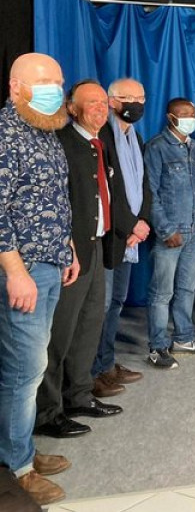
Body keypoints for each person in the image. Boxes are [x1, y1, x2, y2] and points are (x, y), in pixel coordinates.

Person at [0, 53, 77, 506]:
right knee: (24, 373)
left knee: (34, 367)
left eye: (58, 80)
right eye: (44, 81)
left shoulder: (46, 129)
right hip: (22, 272)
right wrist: (16, 273)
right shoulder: (7, 135)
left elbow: (51, 198)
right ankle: (17, 468)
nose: (54, 88)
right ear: (16, 88)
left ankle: (20, 447)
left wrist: (65, 247)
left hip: (50, 263)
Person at [36, 81, 123, 439]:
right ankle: (48, 413)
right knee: (59, 335)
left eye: (104, 103)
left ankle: (79, 395)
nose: (100, 109)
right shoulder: (62, 142)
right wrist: (66, 244)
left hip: (97, 244)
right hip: (70, 251)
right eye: (92, 104)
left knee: (89, 326)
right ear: (72, 108)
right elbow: (57, 202)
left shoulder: (98, 144)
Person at [144, 98, 195, 369]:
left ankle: (184, 338)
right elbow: (149, 193)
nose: (191, 118)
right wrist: (165, 229)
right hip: (171, 232)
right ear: (171, 117)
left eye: (194, 113)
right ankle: (157, 347)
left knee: (187, 288)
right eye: (185, 114)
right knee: (161, 292)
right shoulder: (156, 148)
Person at [90, 78, 151, 399]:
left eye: (141, 98)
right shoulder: (102, 135)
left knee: (116, 303)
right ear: (112, 101)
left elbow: (143, 183)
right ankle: (93, 373)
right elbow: (108, 191)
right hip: (111, 237)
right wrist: (131, 225)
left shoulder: (134, 136)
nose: (136, 104)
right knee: (100, 307)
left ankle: (107, 363)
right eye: (129, 98)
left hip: (130, 234)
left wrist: (143, 220)